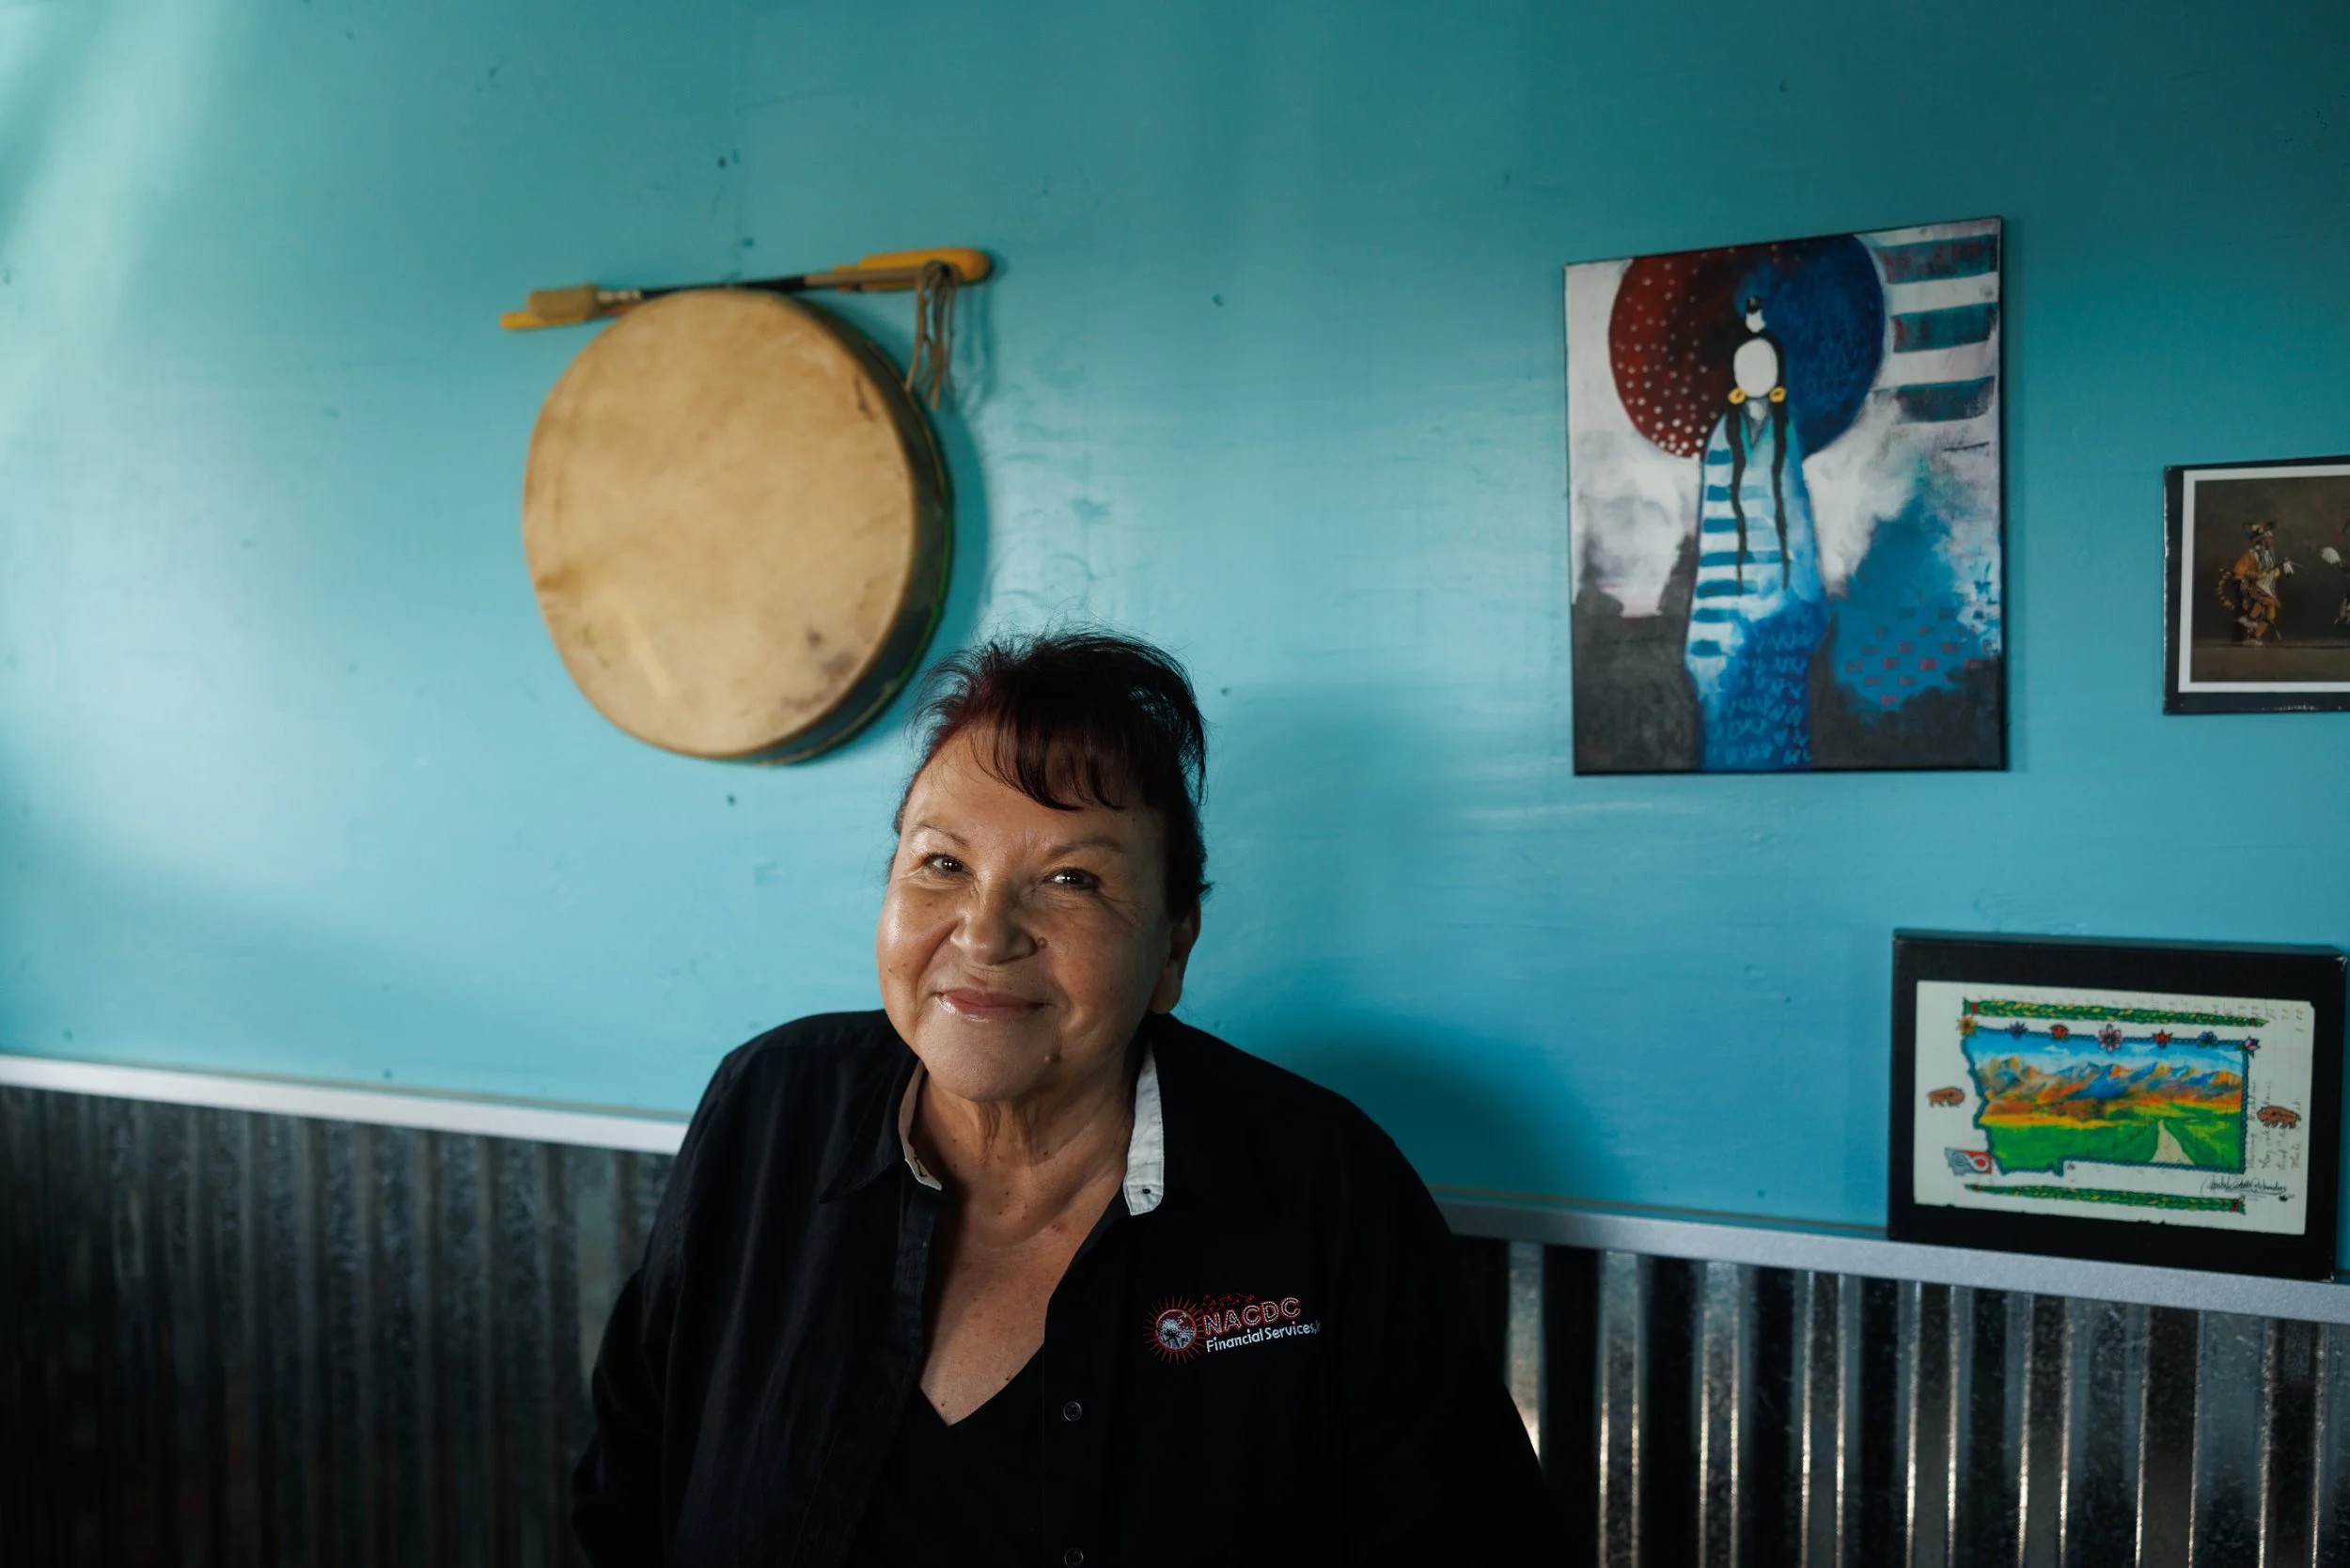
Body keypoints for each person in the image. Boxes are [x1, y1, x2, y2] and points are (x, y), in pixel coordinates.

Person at [571, 631, 1556, 1566]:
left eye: (1073, 879)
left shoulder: (1322, 1188)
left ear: (1173, 943)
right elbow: (626, 1496)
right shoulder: (768, 1110)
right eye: (942, 864)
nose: (985, 933)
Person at [1682, 296, 1828, 770]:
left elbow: (1799, 524)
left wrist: (1806, 603)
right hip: (1728, 615)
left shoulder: (1789, 433)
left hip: (1783, 611)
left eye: (1764, 362)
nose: (1755, 372)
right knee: (1728, 726)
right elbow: (1713, 538)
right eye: (1746, 362)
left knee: (1781, 727)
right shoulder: (1720, 439)